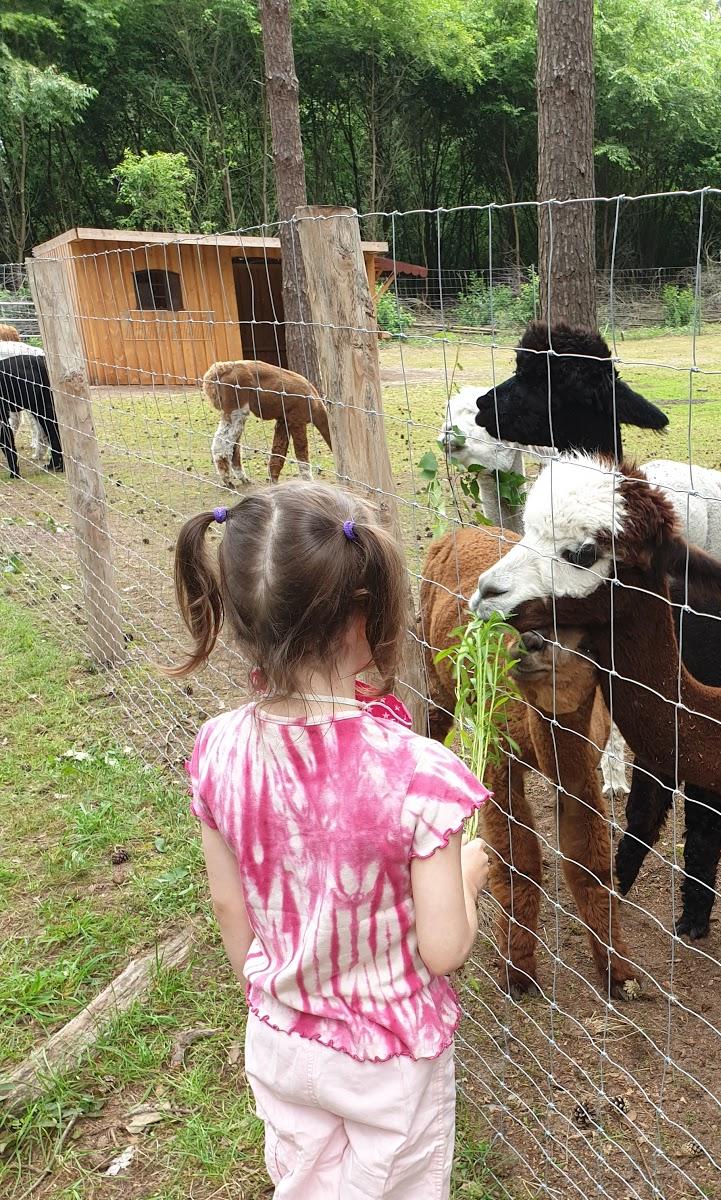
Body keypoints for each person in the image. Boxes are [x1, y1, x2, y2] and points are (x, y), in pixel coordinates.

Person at [169, 481, 490, 1199]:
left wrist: (283, 988)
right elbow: (443, 949)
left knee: (305, 1177)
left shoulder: (217, 747)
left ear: (238, 616)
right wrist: (467, 877)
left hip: (280, 1037)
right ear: (363, 615)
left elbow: (232, 913)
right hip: (387, 1062)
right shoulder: (419, 773)